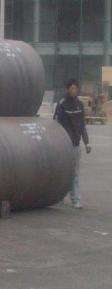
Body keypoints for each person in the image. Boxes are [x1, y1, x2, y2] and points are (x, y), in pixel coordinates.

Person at [54, 78, 91, 209]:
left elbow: (82, 125)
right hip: (64, 145)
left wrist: (86, 142)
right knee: (63, 171)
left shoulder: (79, 105)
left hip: (75, 144)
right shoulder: (62, 104)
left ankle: (76, 199)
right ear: (68, 89)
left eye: (76, 88)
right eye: (72, 88)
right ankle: (59, 197)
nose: (74, 90)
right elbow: (56, 124)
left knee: (74, 173)